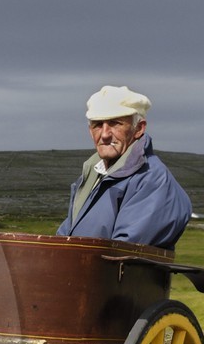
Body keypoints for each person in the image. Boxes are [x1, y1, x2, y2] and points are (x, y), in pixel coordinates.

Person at [57, 85, 192, 249]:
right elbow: (64, 242)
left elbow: (121, 253)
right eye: (97, 124)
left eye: (115, 123)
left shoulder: (153, 181)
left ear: (139, 128)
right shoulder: (92, 176)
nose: (105, 134)